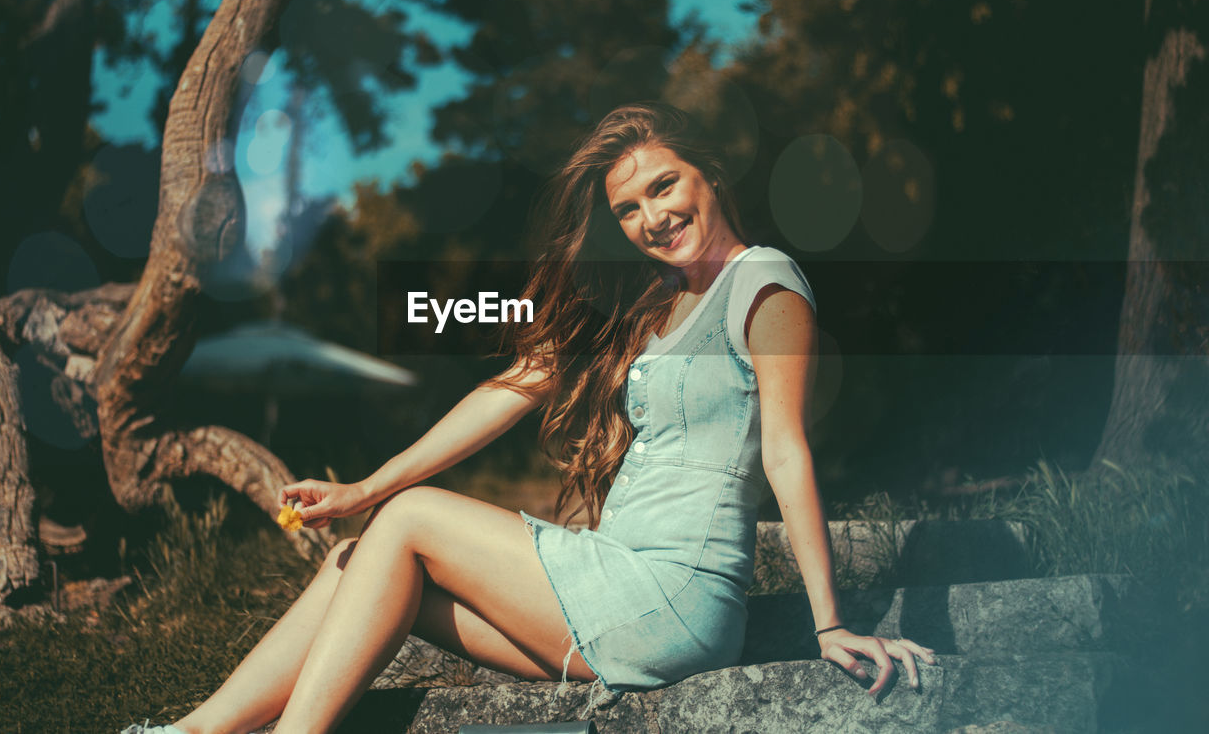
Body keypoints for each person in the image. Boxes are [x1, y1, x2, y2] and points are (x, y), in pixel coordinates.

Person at [122, 102, 935, 734]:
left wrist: (830, 623)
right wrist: (364, 486)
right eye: (627, 208)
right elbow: (507, 390)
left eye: (664, 186)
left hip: (673, 594)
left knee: (407, 522)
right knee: (355, 561)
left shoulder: (764, 281)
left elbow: (787, 451)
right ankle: (195, 728)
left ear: (710, 174)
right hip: (621, 577)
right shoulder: (656, 303)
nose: (651, 217)